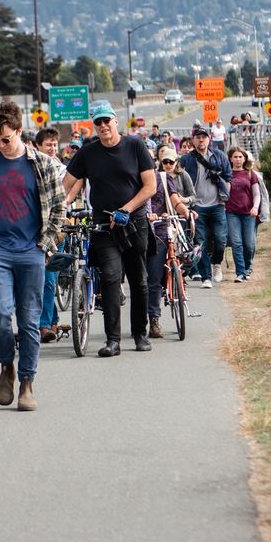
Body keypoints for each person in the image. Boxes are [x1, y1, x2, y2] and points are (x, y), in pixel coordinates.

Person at [0, 103, 67, 410]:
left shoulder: (43, 164)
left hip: (32, 251)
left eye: (5, 139)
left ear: (19, 132)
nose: (0, 145)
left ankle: (26, 383)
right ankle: (5, 365)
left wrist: (46, 244)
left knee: (29, 321)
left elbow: (59, 208)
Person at [62, 102, 157, 357]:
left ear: (116, 121)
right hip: (103, 226)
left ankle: (139, 333)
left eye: (107, 121)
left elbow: (150, 187)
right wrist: (58, 207)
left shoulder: (134, 146)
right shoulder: (87, 153)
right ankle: (113, 340)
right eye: (98, 122)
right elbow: (66, 184)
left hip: (134, 224)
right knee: (111, 279)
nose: (103, 126)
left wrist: (126, 209)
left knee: (138, 281)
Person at [178, 125, 232, 289]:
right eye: (198, 137)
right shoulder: (187, 159)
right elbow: (178, 179)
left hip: (217, 204)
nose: (201, 139)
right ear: (193, 140)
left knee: (221, 239)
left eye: (204, 137)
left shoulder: (219, 156)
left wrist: (224, 197)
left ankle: (217, 264)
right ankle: (206, 277)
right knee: (199, 242)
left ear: (209, 138)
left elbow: (228, 177)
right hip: (196, 207)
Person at [146, 149, 192, 337]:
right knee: (150, 278)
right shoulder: (135, 181)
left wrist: (185, 212)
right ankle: (151, 319)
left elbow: (174, 200)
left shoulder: (163, 178)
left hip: (163, 230)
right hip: (145, 232)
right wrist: (147, 215)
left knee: (166, 268)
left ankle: (156, 318)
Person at [33, 128, 68, 343]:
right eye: (48, 144)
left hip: (57, 232)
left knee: (49, 280)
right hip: (35, 232)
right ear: (38, 146)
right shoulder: (32, 168)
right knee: (39, 281)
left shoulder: (64, 171)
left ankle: (44, 325)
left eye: (55, 144)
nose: (52, 148)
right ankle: (51, 319)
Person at [225, 147, 261, 282]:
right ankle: (240, 272)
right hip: (232, 213)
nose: (238, 159)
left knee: (249, 244)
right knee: (236, 242)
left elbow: (257, 194)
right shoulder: (227, 174)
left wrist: (255, 207)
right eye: (235, 157)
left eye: (240, 157)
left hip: (248, 214)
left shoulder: (251, 174)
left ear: (245, 158)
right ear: (230, 159)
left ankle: (248, 267)